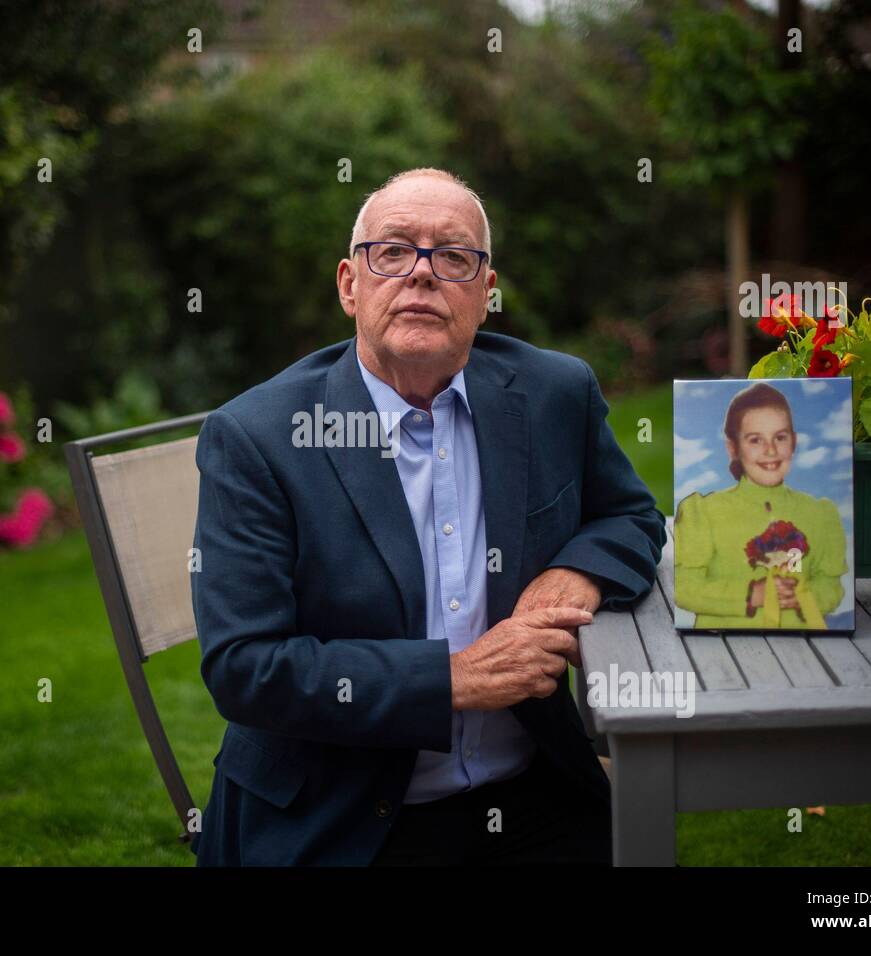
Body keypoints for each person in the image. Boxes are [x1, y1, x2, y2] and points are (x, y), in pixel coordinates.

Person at [189, 168, 665, 866]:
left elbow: (630, 515)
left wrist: (576, 573)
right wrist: (455, 678)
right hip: (340, 817)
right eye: (393, 252)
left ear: (486, 290)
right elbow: (245, 666)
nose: (421, 274)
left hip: (533, 788)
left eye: (453, 255)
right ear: (351, 284)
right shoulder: (259, 437)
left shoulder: (553, 393)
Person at [674, 382, 847, 630]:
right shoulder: (702, 512)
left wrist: (804, 596)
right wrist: (750, 594)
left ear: (794, 442)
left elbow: (831, 587)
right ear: (733, 448)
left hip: (806, 647)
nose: (770, 450)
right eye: (755, 440)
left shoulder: (820, 513)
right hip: (721, 648)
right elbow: (685, 589)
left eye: (780, 437)